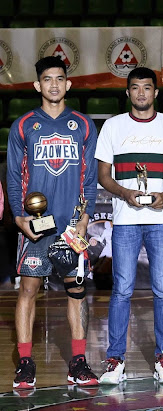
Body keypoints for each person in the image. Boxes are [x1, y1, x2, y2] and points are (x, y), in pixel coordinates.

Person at [94, 67, 163, 385]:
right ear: (128, 92)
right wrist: (125, 193)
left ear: (155, 92)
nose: (141, 93)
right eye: (135, 88)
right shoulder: (112, 126)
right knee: (122, 290)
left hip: (160, 219)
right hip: (125, 220)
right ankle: (115, 360)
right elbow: (103, 175)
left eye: (147, 88)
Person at [6, 56, 98, 389]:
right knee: (28, 290)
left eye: (60, 79)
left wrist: (85, 218)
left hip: (71, 226)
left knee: (77, 291)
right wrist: (19, 218)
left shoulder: (84, 124)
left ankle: (78, 362)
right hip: (36, 226)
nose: (54, 85)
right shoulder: (23, 125)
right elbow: (13, 176)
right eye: (47, 79)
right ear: (37, 85)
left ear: (68, 84)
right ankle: (25, 363)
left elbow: (90, 178)